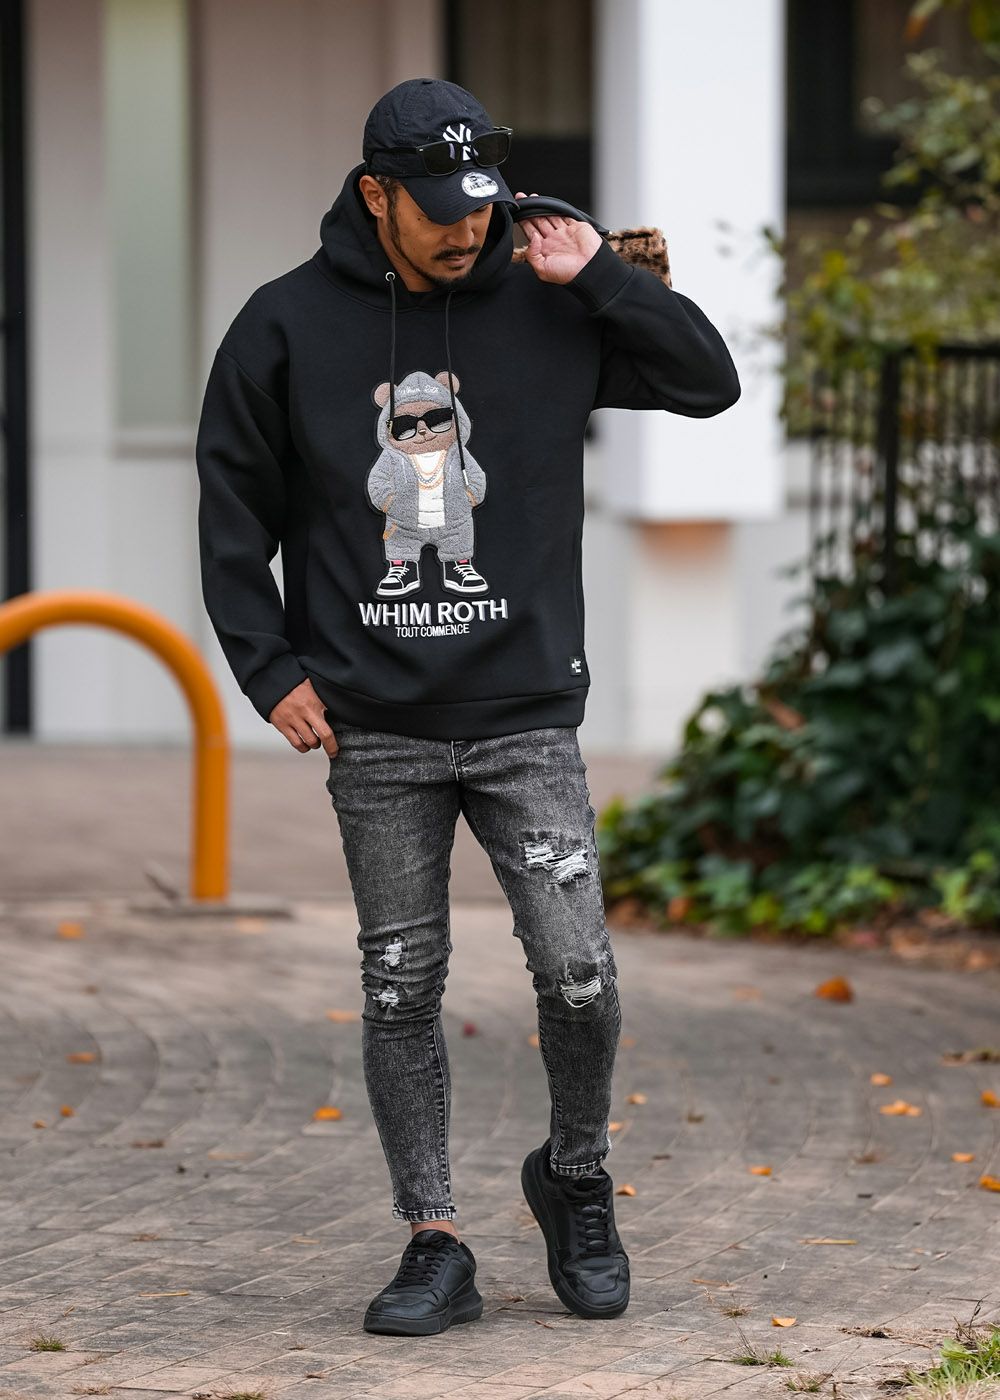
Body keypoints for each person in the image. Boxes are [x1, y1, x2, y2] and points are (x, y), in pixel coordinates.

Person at [196, 76, 741, 1337]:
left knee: (579, 973)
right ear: (375, 194)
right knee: (400, 985)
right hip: (374, 723)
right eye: (438, 208)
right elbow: (232, 511)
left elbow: (707, 383)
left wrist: (602, 277)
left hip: (523, 714)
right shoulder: (284, 324)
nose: (465, 229)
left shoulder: (549, 298)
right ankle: (433, 1236)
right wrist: (267, 668)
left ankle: (576, 1174)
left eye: (481, 205)